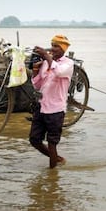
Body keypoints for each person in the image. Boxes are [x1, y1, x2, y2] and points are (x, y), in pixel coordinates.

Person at [28, 35, 74, 169]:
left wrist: (46, 57)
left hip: (55, 110)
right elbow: (37, 86)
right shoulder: (46, 64)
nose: (53, 49)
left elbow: (59, 72)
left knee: (52, 143)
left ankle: (52, 174)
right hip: (41, 107)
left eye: (56, 46)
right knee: (34, 140)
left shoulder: (68, 64)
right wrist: (35, 72)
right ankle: (57, 159)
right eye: (52, 45)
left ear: (63, 49)